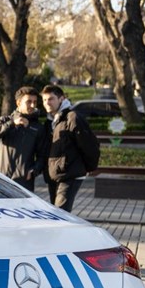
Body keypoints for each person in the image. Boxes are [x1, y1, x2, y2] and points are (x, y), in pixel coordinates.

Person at [42, 84, 99, 212]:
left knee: (60, 213)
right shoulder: (49, 121)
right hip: (54, 175)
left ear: (61, 99)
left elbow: (89, 145)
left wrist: (89, 167)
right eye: (44, 100)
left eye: (51, 99)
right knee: (56, 214)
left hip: (70, 174)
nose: (47, 103)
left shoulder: (72, 117)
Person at [0, 86, 49, 191]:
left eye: (35, 102)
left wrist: (34, 171)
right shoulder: (5, 120)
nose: (32, 105)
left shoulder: (38, 127)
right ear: (18, 103)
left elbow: (43, 155)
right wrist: (11, 123)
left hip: (24, 182)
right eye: (28, 102)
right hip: (2, 178)